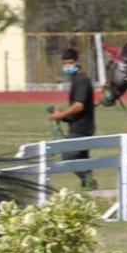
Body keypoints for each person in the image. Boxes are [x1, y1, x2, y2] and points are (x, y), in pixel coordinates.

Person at [49, 48, 97, 188]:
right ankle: (90, 188)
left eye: (70, 63)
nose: (67, 66)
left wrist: (60, 115)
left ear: (77, 62)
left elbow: (78, 106)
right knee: (82, 161)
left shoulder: (81, 80)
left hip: (80, 129)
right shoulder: (79, 79)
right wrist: (63, 116)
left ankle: (90, 183)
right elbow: (76, 110)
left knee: (68, 157)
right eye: (65, 63)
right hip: (83, 126)